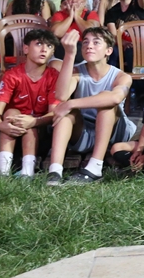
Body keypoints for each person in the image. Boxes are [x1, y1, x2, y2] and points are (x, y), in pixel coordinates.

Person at [45, 28, 136, 185]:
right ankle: (55, 171)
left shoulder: (121, 76)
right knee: (67, 114)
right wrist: (69, 54)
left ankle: (95, 168)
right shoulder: (77, 71)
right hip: (85, 132)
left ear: (108, 50)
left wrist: (72, 103)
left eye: (96, 42)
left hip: (114, 135)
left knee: (106, 105)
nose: (89, 46)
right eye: (85, 42)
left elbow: (115, 98)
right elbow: (61, 95)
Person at [0, 29, 60, 177]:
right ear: (26, 48)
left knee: (27, 121)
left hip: (40, 136)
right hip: (9, 132)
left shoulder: (54, 76)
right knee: (11, 113)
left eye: (49, 46)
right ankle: (4, 172)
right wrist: (0, 124)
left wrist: (33, 121)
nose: (44, 49)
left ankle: (28, 172)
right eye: (39, 44)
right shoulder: (12, 75)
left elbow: (54, 113)